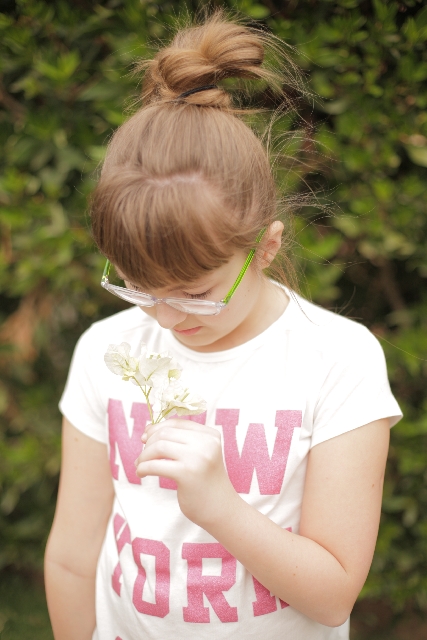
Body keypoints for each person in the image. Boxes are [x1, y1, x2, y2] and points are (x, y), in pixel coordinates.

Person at [44, 11, 402, 640]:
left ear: (266, 247)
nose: (166, 317)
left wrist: (219, 507)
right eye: (137, 286)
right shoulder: (106, 349)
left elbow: (332, 598)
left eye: (195, 293)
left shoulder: (337, 360)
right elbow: (73, 558)